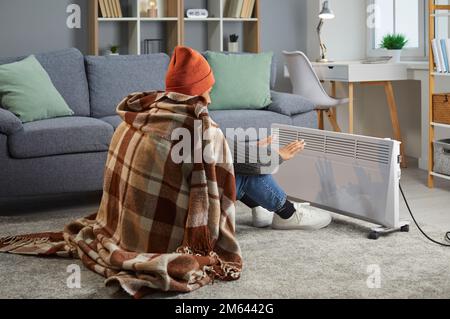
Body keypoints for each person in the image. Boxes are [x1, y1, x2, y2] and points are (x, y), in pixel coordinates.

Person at [166, 46, 332, 231]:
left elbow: (216, 149)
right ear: (194, 91)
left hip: (169, 200)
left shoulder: (163, 115)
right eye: (207, 91)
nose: (210, 100)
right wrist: (278, 155)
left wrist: (251, 147)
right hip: (188, 209)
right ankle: (288, 214)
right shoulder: (196, 125)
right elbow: (244, 159)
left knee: (238, 161)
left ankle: (260, 207)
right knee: (247, 171)